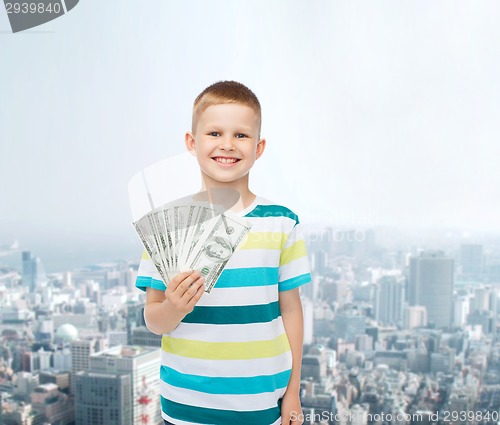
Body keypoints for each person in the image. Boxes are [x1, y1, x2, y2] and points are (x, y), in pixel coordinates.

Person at [135, 81, 312, 425]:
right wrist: (173, 307)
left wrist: (293, 392)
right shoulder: (166, 226)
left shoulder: (281, 222)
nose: (227, 145)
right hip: (185, 402)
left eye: (241, 136)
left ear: (259, 147)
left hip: (262, 401)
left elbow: (291, 311)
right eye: (214, 133)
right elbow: (153, 321)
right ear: (192, 142)